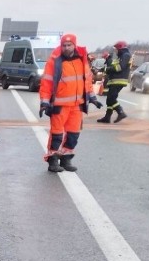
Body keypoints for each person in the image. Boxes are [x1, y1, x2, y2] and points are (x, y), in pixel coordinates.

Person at [38, 33, 103, 172]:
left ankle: (66, 158)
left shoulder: (81, 60)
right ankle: (53, 160)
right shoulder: (55, 61)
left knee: (73, 134)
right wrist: (44, 102)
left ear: (74, 45)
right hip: (59, 106)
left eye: (69, 45)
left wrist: (92, 97)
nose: (66, 48)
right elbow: (47, 83)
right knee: (56, 134)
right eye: (64, 45)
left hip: (77, 105)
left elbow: (87, 81)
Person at [97, 40, 131, 123]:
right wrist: (105, 69)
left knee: (112, 99)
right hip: (114, 80)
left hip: (118, 80)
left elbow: (119, 67)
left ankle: (120, 112)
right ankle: (107, 117)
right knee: (109, 99)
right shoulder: (121, 56)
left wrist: (107, 69)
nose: (115, 51)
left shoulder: (125, 55)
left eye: (116, 49)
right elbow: (113, 67)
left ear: (120, 48)